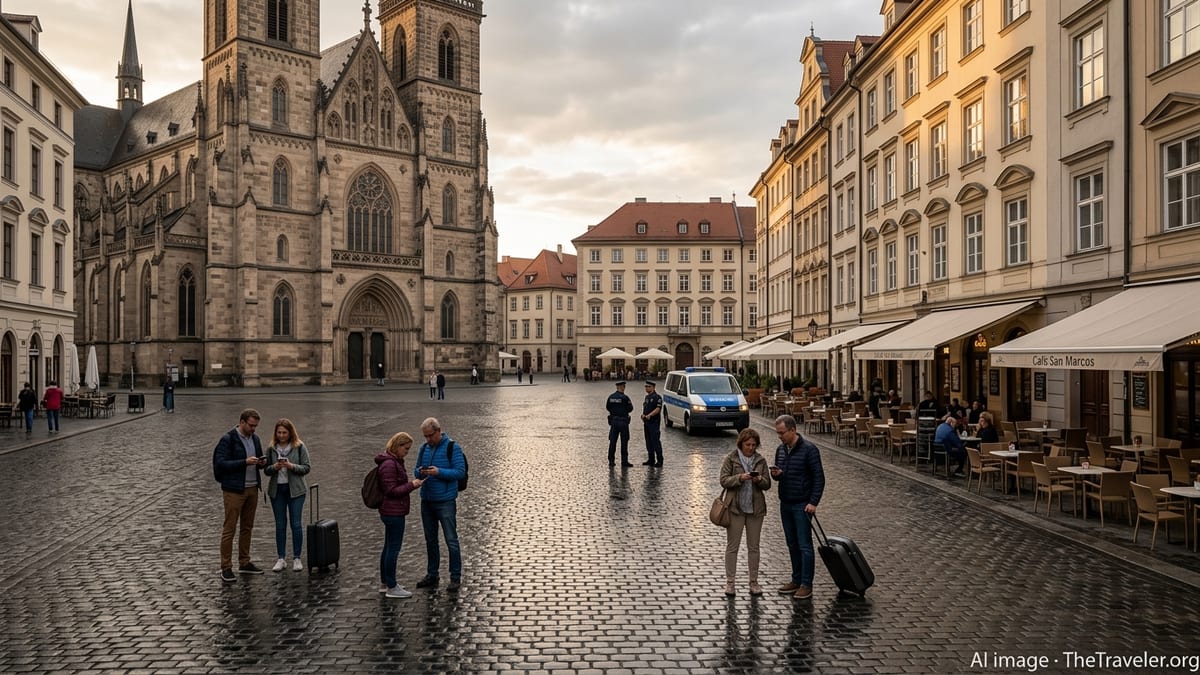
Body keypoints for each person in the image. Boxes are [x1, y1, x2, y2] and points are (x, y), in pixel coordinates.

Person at [769, 414, 825, 600]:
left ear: (793, 430)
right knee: (791, 544)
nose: (780, 437)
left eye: (782, 433)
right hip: (786, 502)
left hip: (803, 504)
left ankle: (806, 584)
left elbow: (819, 478)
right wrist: (777, 475)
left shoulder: (810, 450)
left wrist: (813, 502)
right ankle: (796, 579)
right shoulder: (781, 450)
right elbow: (781, 475)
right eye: (778, 433)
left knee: (804, 545)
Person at [213, 409, 267, 582]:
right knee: (229, 529)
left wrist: (261, 463)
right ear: (242, 422)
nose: (253, 429)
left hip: (252, 488)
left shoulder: (255, 439)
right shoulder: (228, 439)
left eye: (255, 426)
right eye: (251, 425)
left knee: (247, 527)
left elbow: (258, 460)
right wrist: (244, 462)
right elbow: (220, 464)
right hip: (234, 490)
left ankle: (244, 562)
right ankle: (226, 567)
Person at [414, 417, 466, 592]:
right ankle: (432, 574)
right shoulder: (424, 448)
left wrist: (439, 472)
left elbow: (460, 472)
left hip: (445, 501)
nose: (428, 440)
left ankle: (455, 576)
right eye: (425, 436)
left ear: (438, 431)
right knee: (431, 540)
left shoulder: (453, 447)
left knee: (451, 540)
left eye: (430, 435)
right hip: (427, 500)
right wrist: (420, 472)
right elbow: (416, 469)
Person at [719, 428, 772, 596]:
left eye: (753, 445)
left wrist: (759, 480)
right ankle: (730, 582)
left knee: (754, 547)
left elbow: (767, 484)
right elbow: (723, 480)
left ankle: (754, 582)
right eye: (748, 444)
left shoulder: (760, 460)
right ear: (741, 444)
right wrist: (739, 478)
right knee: (732, 547)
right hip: (735, 509)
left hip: (755, 509)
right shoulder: (731, 458)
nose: (750, 448)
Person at [375, 432, 423, 598]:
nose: (407, 452)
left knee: (388, 546)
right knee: (393, 549)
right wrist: (412, 485)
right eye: (406, 448)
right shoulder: (389, 464)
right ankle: (392, 586)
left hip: (391, 510)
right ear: (398, 446)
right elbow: (391, 490)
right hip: (393, 511)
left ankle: (385, 582)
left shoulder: (392, 461)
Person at [263, 418, 311, 573]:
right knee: (280, 524)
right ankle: (281, 558)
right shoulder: (271, 448)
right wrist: (275, 467)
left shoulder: (299, 447)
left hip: (296, 490)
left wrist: (291, 466)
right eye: (279, 433)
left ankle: (297, 557)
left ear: (290, 433)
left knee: (296, 524)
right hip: (277, 491)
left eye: (284, 432)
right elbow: (266, 470)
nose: (282, 435)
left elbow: (306, 467)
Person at [606, 381, 634, 467]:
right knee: (624, 442)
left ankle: (611, 461)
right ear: (622, 387)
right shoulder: (625, 398)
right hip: (623, 421)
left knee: (613, 442)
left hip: (614, 421)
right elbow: (630, 408)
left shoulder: (611, 397)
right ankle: (624, 461)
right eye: (623, 386)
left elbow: (608, 407)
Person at [640, 380, 663, 466]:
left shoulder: (657, 397)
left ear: (653, 387)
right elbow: (645, 408)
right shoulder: (647, 397)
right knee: (648, 441)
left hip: (654, 422)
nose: (647, 388)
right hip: (646, 422)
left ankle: (660, 460)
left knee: (655, 441)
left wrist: (650, 415)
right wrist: (643, 415)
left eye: (649, 386)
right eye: (646, 386)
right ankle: (651, 459)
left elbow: (658, 409)